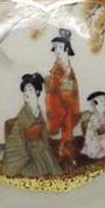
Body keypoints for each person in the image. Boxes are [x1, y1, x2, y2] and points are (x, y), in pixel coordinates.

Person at [2, 73, 62, 178]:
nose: (26, 93)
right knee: (36, 168)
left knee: (50, 162)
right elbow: (20, 135)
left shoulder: (38, 110)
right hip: (25, 149)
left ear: (37, 91)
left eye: (30, 90)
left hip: (39, 146)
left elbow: (44, 133)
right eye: (25, 90)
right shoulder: (24, 112)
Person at [45, 28, 81, 164]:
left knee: (68, 127)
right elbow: (57, 85)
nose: (57, 50)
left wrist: (68, 97)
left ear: (66, 48)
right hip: (58, 101)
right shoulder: (57, 66)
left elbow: (68, 84)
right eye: (55, 48)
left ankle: (66, 151)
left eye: (60, 47)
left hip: (67, 100)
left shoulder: (65, 63)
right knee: (64, 125)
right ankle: (64, 151)